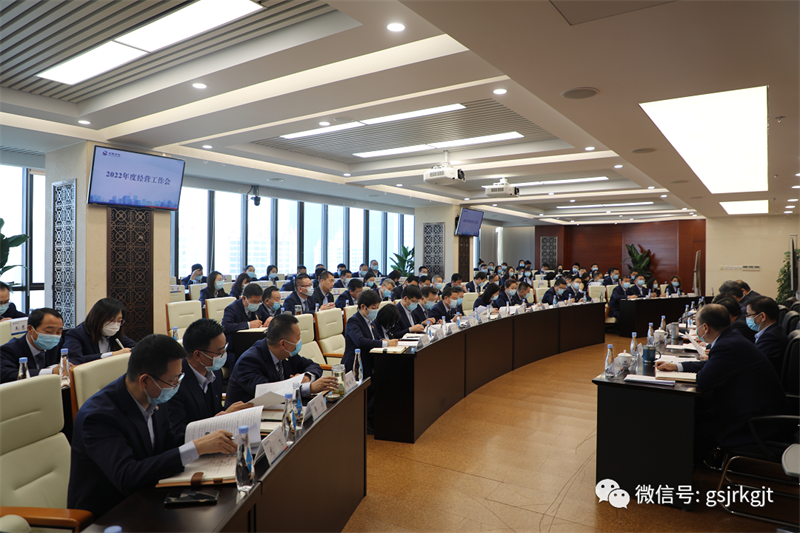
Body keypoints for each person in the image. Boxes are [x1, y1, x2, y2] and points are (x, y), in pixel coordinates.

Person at [67, 334, 237, 518]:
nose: (176, 386)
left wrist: (208, 440)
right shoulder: (99, 417)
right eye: (172, 381)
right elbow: (127, 476)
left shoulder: (154, 395)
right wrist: (195, 448)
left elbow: (168, 442)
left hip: (149, 494)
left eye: (179, 378)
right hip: (109, 514)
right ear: (145, 380)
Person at [655, 305, 785, 457]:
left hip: (753, 420)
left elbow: (703, 380)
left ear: (705, 328)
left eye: (697, 324)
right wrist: (678, 366)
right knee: (695, 414)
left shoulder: (726, 345)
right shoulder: (731, 338)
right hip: (751, 406)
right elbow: (713, 364)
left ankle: (685, 463)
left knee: (690, 427)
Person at [165, 319, 253, 441]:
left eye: (224, 349)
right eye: (219, 352)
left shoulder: (215, 372)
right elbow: (178, 434)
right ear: (198, 355)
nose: (223, 355)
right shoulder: (174, 383)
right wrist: (220, 420)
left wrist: (229, 414)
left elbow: (214, 413)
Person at [225, 314, 336, 406]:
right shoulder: (249, 361)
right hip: (249, 417)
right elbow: (269, 393)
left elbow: (313, 366)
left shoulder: (288, 353)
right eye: (298, 337)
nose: (300, 341)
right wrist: (308, 388)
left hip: (279, 409)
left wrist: (306, 377)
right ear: (283, 343)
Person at [0, 308, 66, 384]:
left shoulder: (57, 343)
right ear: (30, 329)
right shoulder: (9, 350)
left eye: (58, 332)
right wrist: (50, 372)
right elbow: (6, 374)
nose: (54, 336)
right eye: (49, 331)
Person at [65, 298, 136, 364]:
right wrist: (112, 355)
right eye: (112, 320)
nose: (115, 324)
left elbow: (137, 347)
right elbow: (74, 360)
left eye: (119, 321)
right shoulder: (76, 334)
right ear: (98, 318)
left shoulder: (115, 335)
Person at [221, 283, 265, 367]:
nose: (257, 304)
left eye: (259, 301)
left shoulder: (259, 306)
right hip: (234, 348)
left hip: (252, 345)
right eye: (254, 301)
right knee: (238, 364)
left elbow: (266, 316)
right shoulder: (232, 308)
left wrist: (270, 318)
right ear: (244, 298)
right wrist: (249, 325)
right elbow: (225, 326)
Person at [747, 296, 789, 375]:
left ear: (762, 316)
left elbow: (755, 365)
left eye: (749, 315)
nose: (747, 318)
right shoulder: (774, 330)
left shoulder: (770, 338)